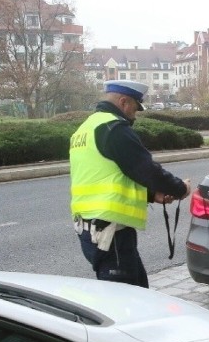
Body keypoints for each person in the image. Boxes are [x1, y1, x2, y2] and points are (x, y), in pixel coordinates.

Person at [69, 79, 191, 287]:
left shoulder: (86, 128)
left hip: (92, 229)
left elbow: (109, 177)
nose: (135, 115)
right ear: (124, 102)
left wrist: (152, 195)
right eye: (135, 108)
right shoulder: (113, 128)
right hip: (110, 234)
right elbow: (146, 170)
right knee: (125, 304)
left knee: (138, 291)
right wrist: (180, 188)